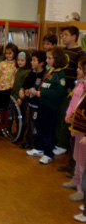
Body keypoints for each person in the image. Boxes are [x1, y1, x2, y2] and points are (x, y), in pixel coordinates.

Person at [26, 47, 67, 165]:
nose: (47, 60)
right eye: (47, 58)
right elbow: (44, 85)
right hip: (43, 104)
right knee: (40, 125)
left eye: (50, 58)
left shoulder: (60, 74)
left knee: (48, 130)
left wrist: (41, 93)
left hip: (51, 107)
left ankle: (48, 153)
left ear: (57, 59)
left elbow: (58, 92)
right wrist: (36, 90)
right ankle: (39, 148)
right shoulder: (50, 71)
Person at [56, 26, 86, 177]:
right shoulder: (62, 51)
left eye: (66, 35)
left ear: (75, 36)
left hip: (74, 91)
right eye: (62, 35)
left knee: (70, 124)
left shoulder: (80, 53)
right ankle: (70, 160)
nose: (63, 37)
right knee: (63, 118)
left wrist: (74, 89)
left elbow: (80, 74)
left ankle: (72, 161)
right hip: (62, 91)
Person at [62, 57, 86, 202]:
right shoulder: (80, 84)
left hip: (83, 130)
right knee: (77, 156)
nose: (77, 70)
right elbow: (74, 103)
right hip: (77, 125)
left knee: (83, 159)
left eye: (80, 68)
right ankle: (76, 180)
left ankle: (82, 190)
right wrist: (69, 115)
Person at [18, 50, 47, 149]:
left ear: (41, 63)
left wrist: (32, 91)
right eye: (32, 60)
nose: (32, 62)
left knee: (35, 124)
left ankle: (35, 144)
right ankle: (28, 141)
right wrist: (23, 90)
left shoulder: (44, 75)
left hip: (38, 104)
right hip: (30, 103)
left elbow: (40, 89)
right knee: (29, 122)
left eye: (34, 60)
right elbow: (26, 83)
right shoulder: (32, 72)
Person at [11, 51, 31, 143]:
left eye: (22, 60)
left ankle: (21, 135)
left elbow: (24, 86)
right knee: (17, 116)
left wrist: (20, 98)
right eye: (18, 60)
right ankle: (18, 133)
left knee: (22, 117)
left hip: (22, 98)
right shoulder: (18, 71)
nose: (20, 62)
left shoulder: (27, 72)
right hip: (15, 97)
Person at [0, 43, 19, 108]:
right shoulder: (2, 63)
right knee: (1, 106)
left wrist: (10, 86)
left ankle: (9, 117)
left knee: (9, 106)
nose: (7, 55)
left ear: (14, 53)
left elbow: (14, 76)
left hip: (10, 89)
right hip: (1, 88)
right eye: (6, 53)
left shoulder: (15, 64)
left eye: (10, 53)